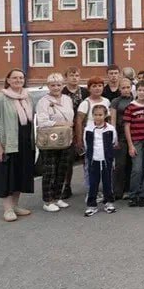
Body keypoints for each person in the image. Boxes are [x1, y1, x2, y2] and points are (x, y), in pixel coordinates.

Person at [0, 69, 36, 222]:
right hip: (8, 143)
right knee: (6, 176)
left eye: (21, 78)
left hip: (25, 143)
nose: (18, 80)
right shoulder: (0, 98)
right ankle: (7, 209)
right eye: (14, 78)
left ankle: (15, 206)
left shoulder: (28, 97)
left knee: (20, 175)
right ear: (8, 80)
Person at [35, 72, 75, 213]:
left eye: (59, 85)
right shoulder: (43, 101)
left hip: (65, 138)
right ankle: (48, 200)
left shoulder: (67, 99)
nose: (56, 87)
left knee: (62, 169)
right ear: (48, 86)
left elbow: (71, 117)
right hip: (50, 139)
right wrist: (61, 123)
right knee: (50, 170)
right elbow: (42, 121)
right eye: (53, 85)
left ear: (63, 85)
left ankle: (57, 197)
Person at [83, 104, 118, 216]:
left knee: (107, 182)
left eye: (100, 115)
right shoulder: (88, 129)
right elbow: (86, 144)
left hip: (106, 160)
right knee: (93, 183)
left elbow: (113, 142)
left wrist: (109, 156)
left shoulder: (110, 129)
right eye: (95, 115)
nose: (98, 117)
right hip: (93, 160)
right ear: (92, 115)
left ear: (105, 115)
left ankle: (109, 203)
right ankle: (92, 205)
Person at [123, 80, 144, 207]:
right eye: (139, 90)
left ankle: (143, 195)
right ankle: (133, 195)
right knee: (137, 169)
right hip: (136, 141)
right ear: (136, 91)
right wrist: (130, 145)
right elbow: (126, 126)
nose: (142, 93)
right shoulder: (131, 107)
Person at [59, 66, 88, 200]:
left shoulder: (85, 92)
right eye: (71, 75)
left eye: (76, 75)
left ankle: (89, 185)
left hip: (84, 127)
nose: (74, 78)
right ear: (66, 78)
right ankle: (66, 186)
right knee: (67, 159)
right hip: (68, 129)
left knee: (86, 158)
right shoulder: (62, 92)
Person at [109, 77, 134, 200]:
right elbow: (112, 120)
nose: (126, 90)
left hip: (134, 135)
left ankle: (128, 189)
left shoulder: (135, 100)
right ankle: (117, 191)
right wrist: (114, 138)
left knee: (131, 164)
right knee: (120, 164)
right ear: (119, 89)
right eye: (123, 88)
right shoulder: (115, 101)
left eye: (128, 87)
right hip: (120, 135)